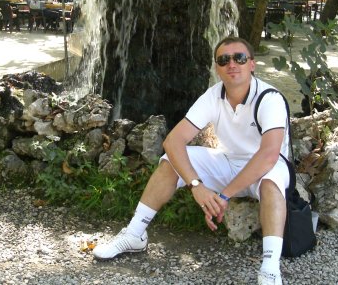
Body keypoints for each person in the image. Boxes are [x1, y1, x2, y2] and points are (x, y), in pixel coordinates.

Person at [93, 37, 289, 285]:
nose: (232, 64)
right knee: (170, 161)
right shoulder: (213, 96)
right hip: (228, 162)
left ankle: (270, 268)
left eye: (239, 58)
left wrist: (224, 195)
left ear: (252, 64)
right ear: (217, 68)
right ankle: (134, 234)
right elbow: (173, 141)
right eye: (223, 60)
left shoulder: (270, 98)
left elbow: (269, 155)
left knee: (271, 183)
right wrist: (196, 186)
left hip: (268, 168)